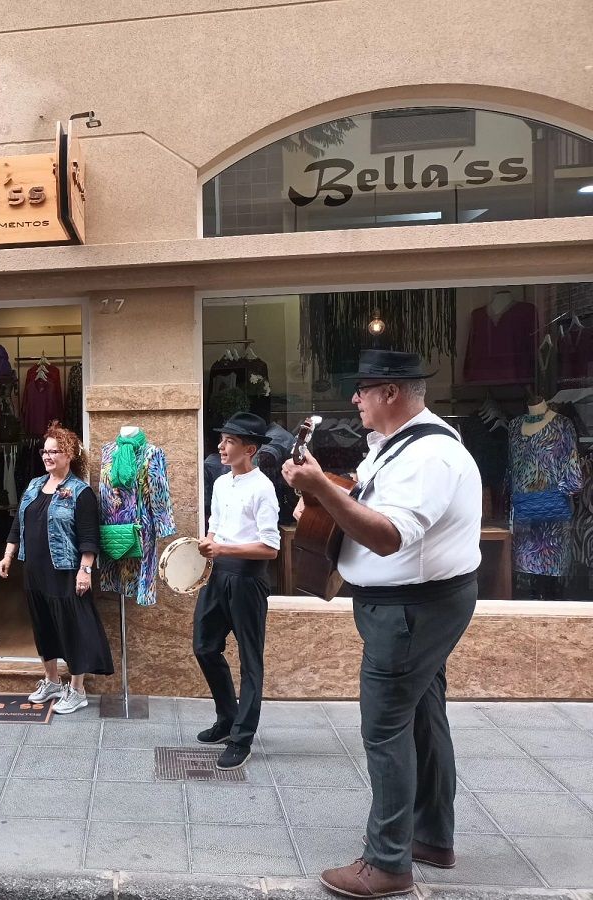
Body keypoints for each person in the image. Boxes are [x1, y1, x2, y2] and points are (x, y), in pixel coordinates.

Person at [282, 350, 481, 899]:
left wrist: (320, 488)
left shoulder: (430, 457)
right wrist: (320, 498)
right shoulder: (399, 446)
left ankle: (388, 863)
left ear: (390, 393)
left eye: (362, 389)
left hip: (410, 612)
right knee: (421, 716)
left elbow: (391, 535)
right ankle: (431, 837)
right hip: (411, 608)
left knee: (385, 727)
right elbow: (364, 502)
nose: (355, 399)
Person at [0, 424, 112, 714]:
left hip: (65, 571)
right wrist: (8, 555)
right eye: (45, 451)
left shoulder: (80, 492)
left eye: (54, 451)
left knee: (73, 627)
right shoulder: (35, 485)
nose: (47, 456)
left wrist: (84, 570)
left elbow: (89, 537)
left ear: (69, 454)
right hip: (35, 570)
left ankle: (77, 689)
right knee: (43, 626)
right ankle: (52, 681)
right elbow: (17, 525)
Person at [193, 412, 280, 771]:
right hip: (218, 576)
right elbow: (215, 526)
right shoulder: (222, 482)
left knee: (250, 660)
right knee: (204, 646)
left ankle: (242, 738)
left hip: (248, 578)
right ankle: (228, 718)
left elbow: (271, 548)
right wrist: (207, 543)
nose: (221, 446)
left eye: (229, 441)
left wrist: (223, 549)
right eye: (222, 439)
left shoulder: (264, 488)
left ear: (250, 449)